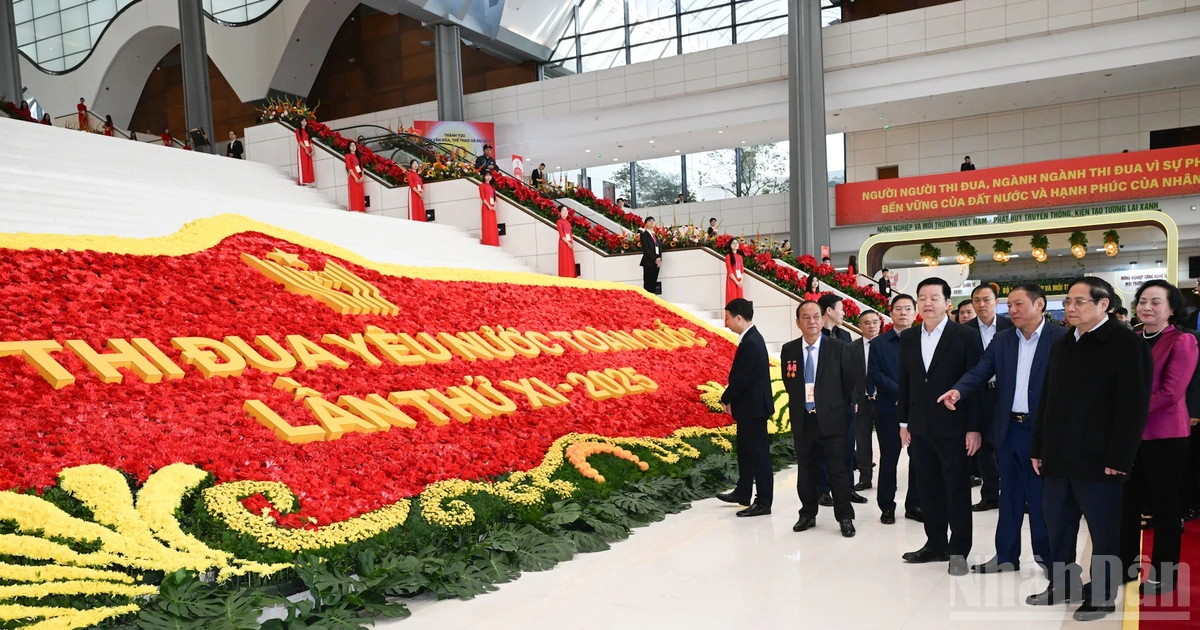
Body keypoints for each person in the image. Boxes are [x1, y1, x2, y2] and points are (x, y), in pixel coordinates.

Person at [1029, 277, 1152, 621]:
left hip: (1100, 460)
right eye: (1068, 301)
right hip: (1057, 457)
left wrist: (1120, 457)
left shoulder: (1127, 344)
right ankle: (1063, 585)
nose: (1070, 307)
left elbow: (1134, 406)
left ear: (1104, 305)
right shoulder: (1063, 342)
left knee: (1103, 532)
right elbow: (1047, 401)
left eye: (1080, 301)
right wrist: (1039, 446)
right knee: (1058, 525)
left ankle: (1102, 596)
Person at [938, 284, 1066, 575]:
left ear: (1040, 305)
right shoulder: (1003, 339)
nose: (1013, 311)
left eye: (1019, 304)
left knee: (1039, 499)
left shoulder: (1060, 338)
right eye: (1010, 305)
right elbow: (980, 371)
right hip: (1007, 430)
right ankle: (1006, 556)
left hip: (1041, 431)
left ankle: (1046, 559)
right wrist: (958, 391)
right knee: (1008, 495)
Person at [898, 277, 984, 576]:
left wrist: (974, 428)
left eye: (934, 297)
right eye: (922, 297)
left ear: (947, 302)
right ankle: (935, 544)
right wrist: (904, 423)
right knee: (928, 489)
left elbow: (976, 383)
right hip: (920, 428)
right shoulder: (908, 337)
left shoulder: (965, 336)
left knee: (956, 490)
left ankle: (959, 550)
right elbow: (907, 382)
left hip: (955, 428)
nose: (927, 303)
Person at [1118, 280, 1196, 595]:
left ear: (1172, 308)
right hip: (1131, 436)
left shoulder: (1182, 340)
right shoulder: (1133, 339)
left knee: (1165, 508)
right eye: (1143, 301)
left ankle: (1164, 575)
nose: (1147, 307)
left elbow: (1171, 392)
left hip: (1166, 435)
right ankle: (1125, 564)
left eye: (1156, 302)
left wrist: (1126, 412)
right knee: (1127, 502)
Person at [784, 301, 858, 537]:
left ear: (822, 319)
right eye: (806, 317)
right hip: (803, 420)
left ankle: (845, 516)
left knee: (838, 471)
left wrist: (829, 403)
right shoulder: (789, 349)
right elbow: (790, 382)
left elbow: (848, 382)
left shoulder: (838, 347)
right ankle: (807, 513)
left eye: (816, 316)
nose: (812, 321)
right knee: (805, 470)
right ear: (798, 322)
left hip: (831, 419)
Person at [716, 298, 774, 517]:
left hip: (754, 408)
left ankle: (764, 501)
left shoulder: (751, 342)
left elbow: (743, 378)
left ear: (739, 317)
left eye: (728, 316)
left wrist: (725, 398)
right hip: (749, 407)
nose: (727, 321)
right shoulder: (750, 338)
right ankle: (743, 491)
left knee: (759, 455)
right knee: (746, 451)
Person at [869, 294, 922, 524]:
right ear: (890, 313)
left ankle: (914, 505)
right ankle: (887, 507)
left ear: (915, 312)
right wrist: (901, 393)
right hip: (889, 409)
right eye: (898, 308)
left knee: (918, 458)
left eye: (908, 308)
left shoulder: (924, 339)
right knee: (889, 459)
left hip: (918, 409)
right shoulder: (879, 343)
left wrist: (912, 395)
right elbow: (875, 374)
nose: (903, 313)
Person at [963, 284, 1011, 512]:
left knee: (1008, 444)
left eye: (986, 300)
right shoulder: (964, 331)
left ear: (996, 302)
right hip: (978, 394)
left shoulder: (1011, 326)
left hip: (1006, 393)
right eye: (977, 300)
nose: (981, 304)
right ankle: (990, 495)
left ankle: (1013, 494)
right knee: (982, 447)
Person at [852, 310, 883, 491]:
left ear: (880, 324)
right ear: (860, 326)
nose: (871, 326)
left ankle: (888, 479)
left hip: (883, 401)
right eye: (866, 322)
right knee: (862, 442)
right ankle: (865, 479)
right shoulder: (851, 348)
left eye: (874, 322)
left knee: (887, 443)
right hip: (861, 401)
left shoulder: (888, 345)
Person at [639, 217, 661, 294]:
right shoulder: (644, 235)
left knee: (654, 283)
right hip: (648, 262)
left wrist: (659, 258)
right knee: (648, 283)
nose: (652, 222)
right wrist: (655, 259)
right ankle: (647, 301)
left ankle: (653, 300)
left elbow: (659, 248)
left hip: (656, 262)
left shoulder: (655, 235)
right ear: (646, 224)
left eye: (653, 221)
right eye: (649, 221)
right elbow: (646, 249)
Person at [344, 141, 366, 212]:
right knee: (354, 193)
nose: (353, 147)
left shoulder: (358, 157)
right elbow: (349, 168)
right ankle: (354, 209)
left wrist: (362, 177)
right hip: (353, 177)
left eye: (354, 145)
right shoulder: (348, 156)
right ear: (349, 147)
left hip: (360, 177)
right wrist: (355, 177)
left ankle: (361, 209)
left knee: (360, 193)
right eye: (351, 145)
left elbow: (362, 168)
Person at [479, 170, 499, 246]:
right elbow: (483, 197)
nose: (488, 177)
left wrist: (494, 206)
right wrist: (489, 206)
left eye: (489, 175)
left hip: (492, 208)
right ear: (484, 176)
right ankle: (487, 241)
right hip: (486, 207)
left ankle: (494, 241)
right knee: (487, 224)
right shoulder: (482, 185)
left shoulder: (492, 186)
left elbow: (495, 198)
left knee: (493, 225)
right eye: (487, 175)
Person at [557, 207, 576, 279]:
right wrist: (568, 243)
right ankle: (564, 275)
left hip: (570, 243)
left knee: (570, 260)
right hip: (564, 243)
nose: (565, 212)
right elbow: (561, 235)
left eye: (566, 210)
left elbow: (570, 234)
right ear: (560, 212)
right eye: (563, 210)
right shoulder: (559, 221)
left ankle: (571, 275)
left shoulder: (568, 223)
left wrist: (572, 242)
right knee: (564, 259)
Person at [295, 119, 315, 186]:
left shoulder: (308, 130)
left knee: (309, 165)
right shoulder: (298, 130)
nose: (304, 122)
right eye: (302, 121)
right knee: (303, 164)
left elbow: (310, 141)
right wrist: (305, 148)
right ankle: (302, 181)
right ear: (300, 122)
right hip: (302, 148)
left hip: (308, 148)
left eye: (305, 121)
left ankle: (309, 181)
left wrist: (312, 149)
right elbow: (299, 141)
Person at [724, 238, 744, 303]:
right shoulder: (728, 256)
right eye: (733, 243)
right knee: (732, 298)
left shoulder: (740, 257)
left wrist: (741, 281)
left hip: (739, 281)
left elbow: (742, 271)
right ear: (730, 245)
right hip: (732, 281)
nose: (735, 245)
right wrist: (736, 281)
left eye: (736, 243)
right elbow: (730, 271)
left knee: (739, 299)